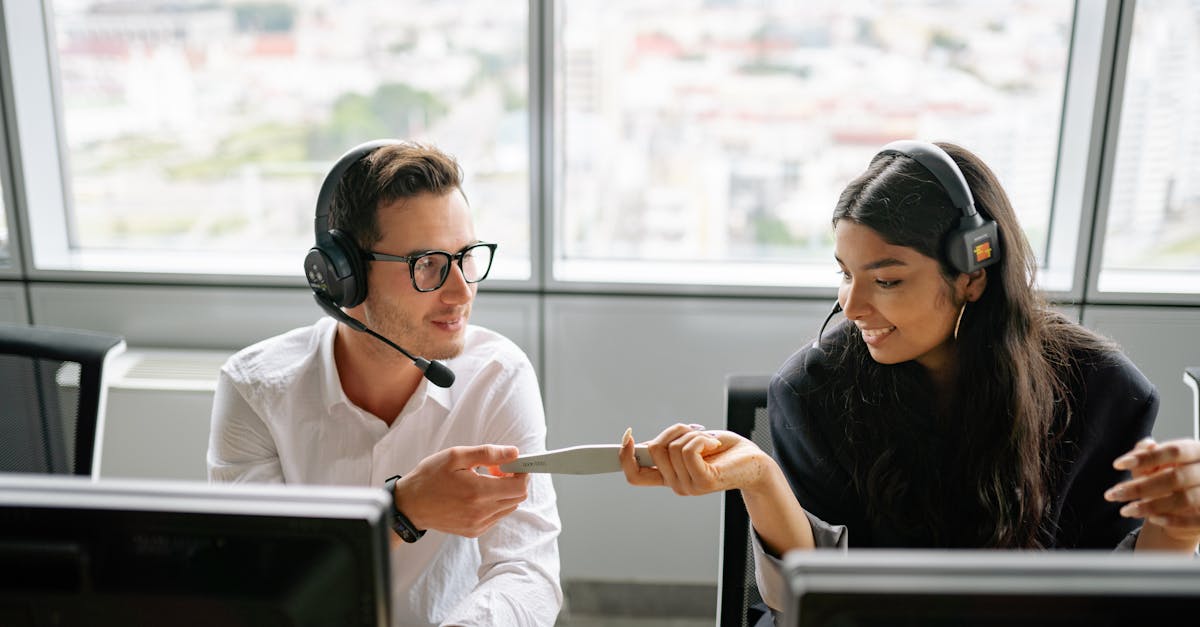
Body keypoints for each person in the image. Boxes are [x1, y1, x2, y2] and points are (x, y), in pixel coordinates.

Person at [619, 140, 1200, 618]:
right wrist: (760, 478)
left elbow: (1124, 601)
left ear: (973, 275)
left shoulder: (1100, 391)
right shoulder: (813, 390)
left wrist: (1179, 529)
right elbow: (812, 605)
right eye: (845, 274)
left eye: (887, 280)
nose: (851, 306)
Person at [208, 140, 561, 627]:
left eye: (467, 257)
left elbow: (528, 572)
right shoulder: (255, 390)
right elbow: (258, 583)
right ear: (343, 276)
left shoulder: (498, 377)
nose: (461, 292)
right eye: (428, 265)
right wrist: (400, 511)